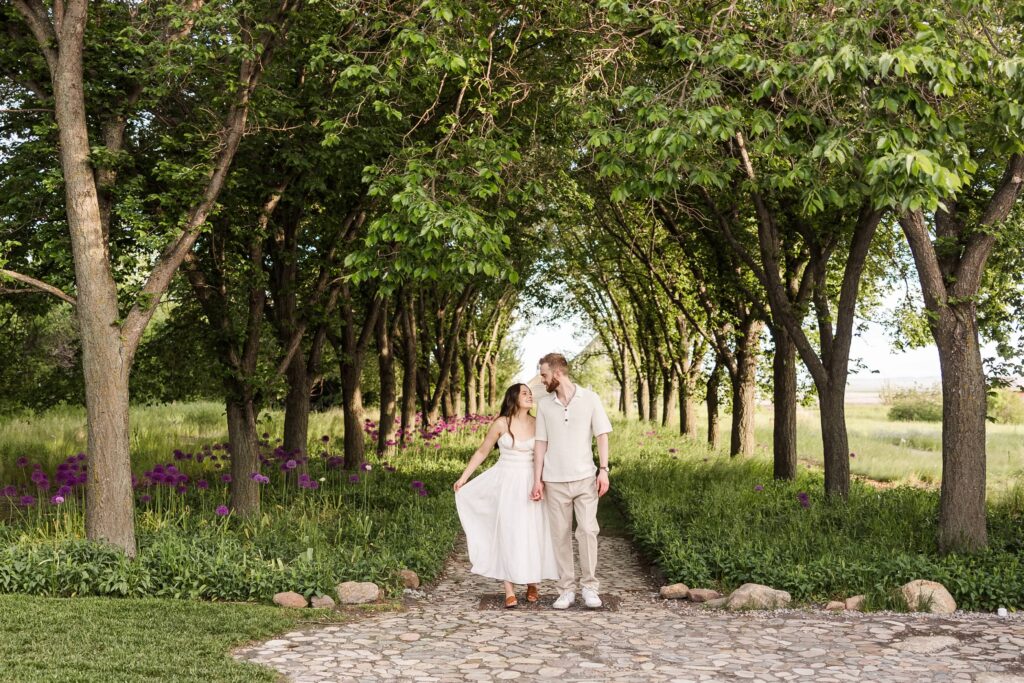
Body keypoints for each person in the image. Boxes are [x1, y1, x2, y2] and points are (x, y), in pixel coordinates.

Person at [454, 383, 558, 608]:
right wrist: (464, 478)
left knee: (532, 531)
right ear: (513, 397)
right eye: (524, 393)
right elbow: (483, 451)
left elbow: (547, 454)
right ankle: (508, 588)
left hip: (531, 481)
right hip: (505, 483)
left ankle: (532, 581)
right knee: (508, 532)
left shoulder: (538, 423)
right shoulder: (501, 423)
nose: (530, 396)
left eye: (530, 394)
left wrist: (545, 481)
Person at [531, 352, 612, 610]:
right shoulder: (544, 405)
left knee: (588, 531)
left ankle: (589, 587)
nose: (542, 380)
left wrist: (604, 470)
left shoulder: (590, 398)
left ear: (557, 373)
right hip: (554, 480)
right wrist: (537, 480)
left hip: (585, 477)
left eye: (544, 375)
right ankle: (566, 589)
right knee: (560, 536)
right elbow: (540, 443)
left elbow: (602, 435)